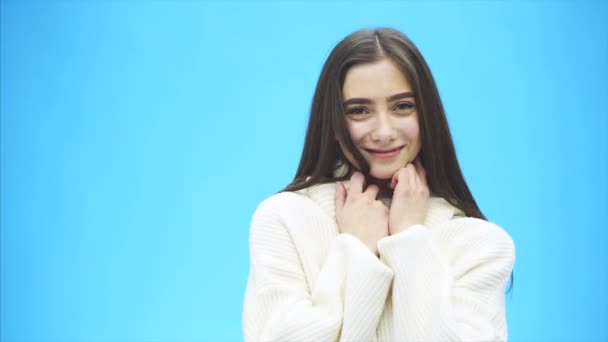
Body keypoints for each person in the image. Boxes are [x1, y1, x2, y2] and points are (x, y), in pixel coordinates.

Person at [242, 27, 515, 342]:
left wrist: (410, 240)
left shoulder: (480, 245)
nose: (384, 131)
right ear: (332, 123)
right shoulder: (284, 220)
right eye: (359, 110)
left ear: (428, 115)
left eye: (402, 106)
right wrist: (356, 249)